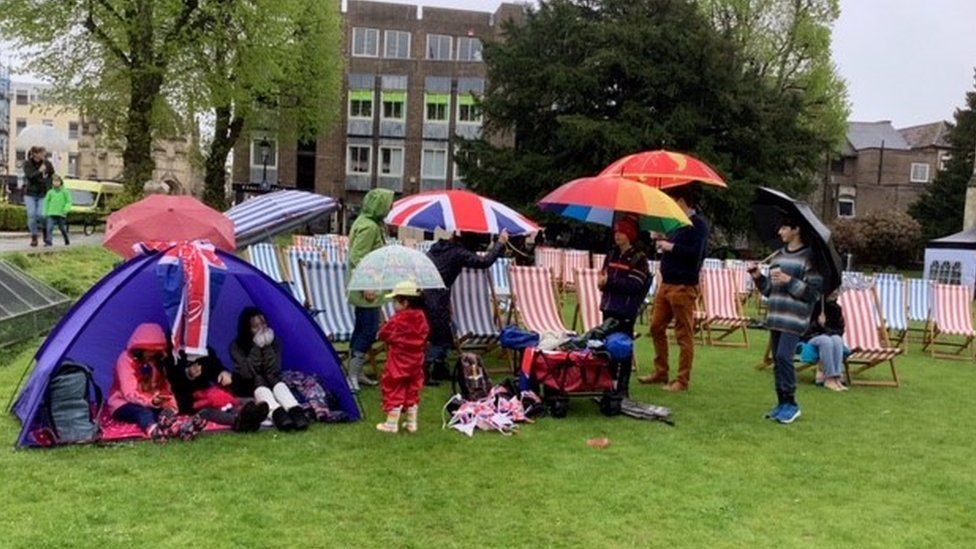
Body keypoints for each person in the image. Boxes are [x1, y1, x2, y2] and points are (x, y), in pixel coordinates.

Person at [749, 215, 823, 424]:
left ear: (796, 229)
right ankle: (781, 403)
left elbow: (812, 293)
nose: (780, 232)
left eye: (783, 228)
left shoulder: (810, 258)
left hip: (795, 318)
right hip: (775, 317)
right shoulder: (777, 257)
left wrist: (790, 281)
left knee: (783, 357)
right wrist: (757, 276)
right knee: (777, 361)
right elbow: (769, 290)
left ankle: (791, 403)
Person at [639, 184, 710, 392]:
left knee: (683, 334)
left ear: (681, 201)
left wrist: (672, 247)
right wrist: (660, 240)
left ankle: (682, 379)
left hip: (683, 286)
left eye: (672, 202)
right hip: (666, 283)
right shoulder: (676, 225)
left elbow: (696, 254)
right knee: (656, 327)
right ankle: (661, 371)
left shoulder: (698, 225)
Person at [423, 228, 509, 385]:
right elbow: (484, 262)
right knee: (440, 336)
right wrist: (500, 243)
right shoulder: (458, 252)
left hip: (428, 294)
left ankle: (439, 368)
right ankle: (426, 372)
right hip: (436, 297)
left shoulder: (441, 246)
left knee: (448, 331)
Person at [107, 323, 204, 442]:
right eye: (149, 350)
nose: (152, 354)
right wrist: (152, 401)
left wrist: (171, 406)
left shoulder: (156, 362)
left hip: (150, 401)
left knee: (163, 413)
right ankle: (154, 431)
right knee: (144, 414)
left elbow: (164, 386)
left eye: (155, 350)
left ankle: (180, 429)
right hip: (122, 403)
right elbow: (129, 393)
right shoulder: (125, 360)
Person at [346, 188, 395, 391]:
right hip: (367, 288)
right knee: (368, 331)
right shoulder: (369, 227)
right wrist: (367, 284)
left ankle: (357, 372)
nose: (390, 207)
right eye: (388, 203)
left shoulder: (369, 223)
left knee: (361, 329)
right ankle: (352, 376)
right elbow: (358, 257)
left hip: (368, 286)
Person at [230, 308, 310, 432]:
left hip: (270, 379)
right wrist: (257, 347)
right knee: (259, 377)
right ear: (247, 329)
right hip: (246, 382)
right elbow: (247, 372)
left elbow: (274, 368)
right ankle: (277, 414)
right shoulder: (236, 346)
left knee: (271, 376)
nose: (262, 329)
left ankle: (295, 410)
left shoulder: (275, 341)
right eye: (256, 327)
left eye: (263, 324)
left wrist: (267, 347)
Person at [597, 216, 651, 397]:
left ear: (630, 234)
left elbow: (634, 285)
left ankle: (622, 387)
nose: (617, 235)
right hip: (608, 306)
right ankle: (608, 383)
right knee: (607, 346)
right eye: (616, 231)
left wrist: (609, 281)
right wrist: (602, 283)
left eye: (622, 232)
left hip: (625, 309)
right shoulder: (611, 253)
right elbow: (604, 276)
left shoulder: (639, 258)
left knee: (623, 346)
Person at [165, 348, 270, 432]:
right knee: (207, 412)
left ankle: (253, 413)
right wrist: (188, 375)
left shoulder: (203, 349)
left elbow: (214, 365)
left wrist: (222, 372)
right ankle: (239, 421)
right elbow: (174, 382)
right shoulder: (173, 356)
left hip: (211, 393)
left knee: (235, 401)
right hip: (190, 401)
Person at [376, 281, 430, 433]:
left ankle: (391, 424)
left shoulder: (398, 319)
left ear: (405, 302)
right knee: (412, 388)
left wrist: (386, 332)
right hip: (416, 360)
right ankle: (412, 423)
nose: (394, 304)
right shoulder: (422, 317)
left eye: (395, 301)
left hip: (399, 360)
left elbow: (384, 334)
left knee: (394, 387)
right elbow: (424, 335)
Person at [803, 291, 848, 392]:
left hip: (829, 336)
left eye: (837, 291)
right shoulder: (814, 306)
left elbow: (840, 330)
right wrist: (818, 324)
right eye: (833, 290)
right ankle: (829, 378)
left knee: (837, 340)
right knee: (826, 340)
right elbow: (805, 329)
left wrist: (826, 329)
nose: (836, 293)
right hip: (811, 337)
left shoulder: (837, 309)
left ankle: (837, 377)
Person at [22, 146, 54, 247]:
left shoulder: (47, 164)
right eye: (41, 152)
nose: (44, 154)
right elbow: (30, 177)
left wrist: (47, 183)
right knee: (31, 215)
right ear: (35, 154)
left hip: (43, 194)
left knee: (42, 215)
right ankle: (34, 237)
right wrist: (40, 171)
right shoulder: (27, 164)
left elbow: (52, 176)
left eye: (44, 153)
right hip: (30, 193)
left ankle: (45, 230)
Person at [43, 175, 72, 247]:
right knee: (49, 228)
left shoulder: (65, 192)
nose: (56, 183)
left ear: (60, 182)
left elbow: (69, 201)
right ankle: (49, 242)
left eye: (57, 181)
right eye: (54, 181)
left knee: (62, 228)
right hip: (51, 213)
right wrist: (45, 212)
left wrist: (66, 209)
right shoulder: (50, 192)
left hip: (61, 214)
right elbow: (46, 202)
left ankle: (66, 239)